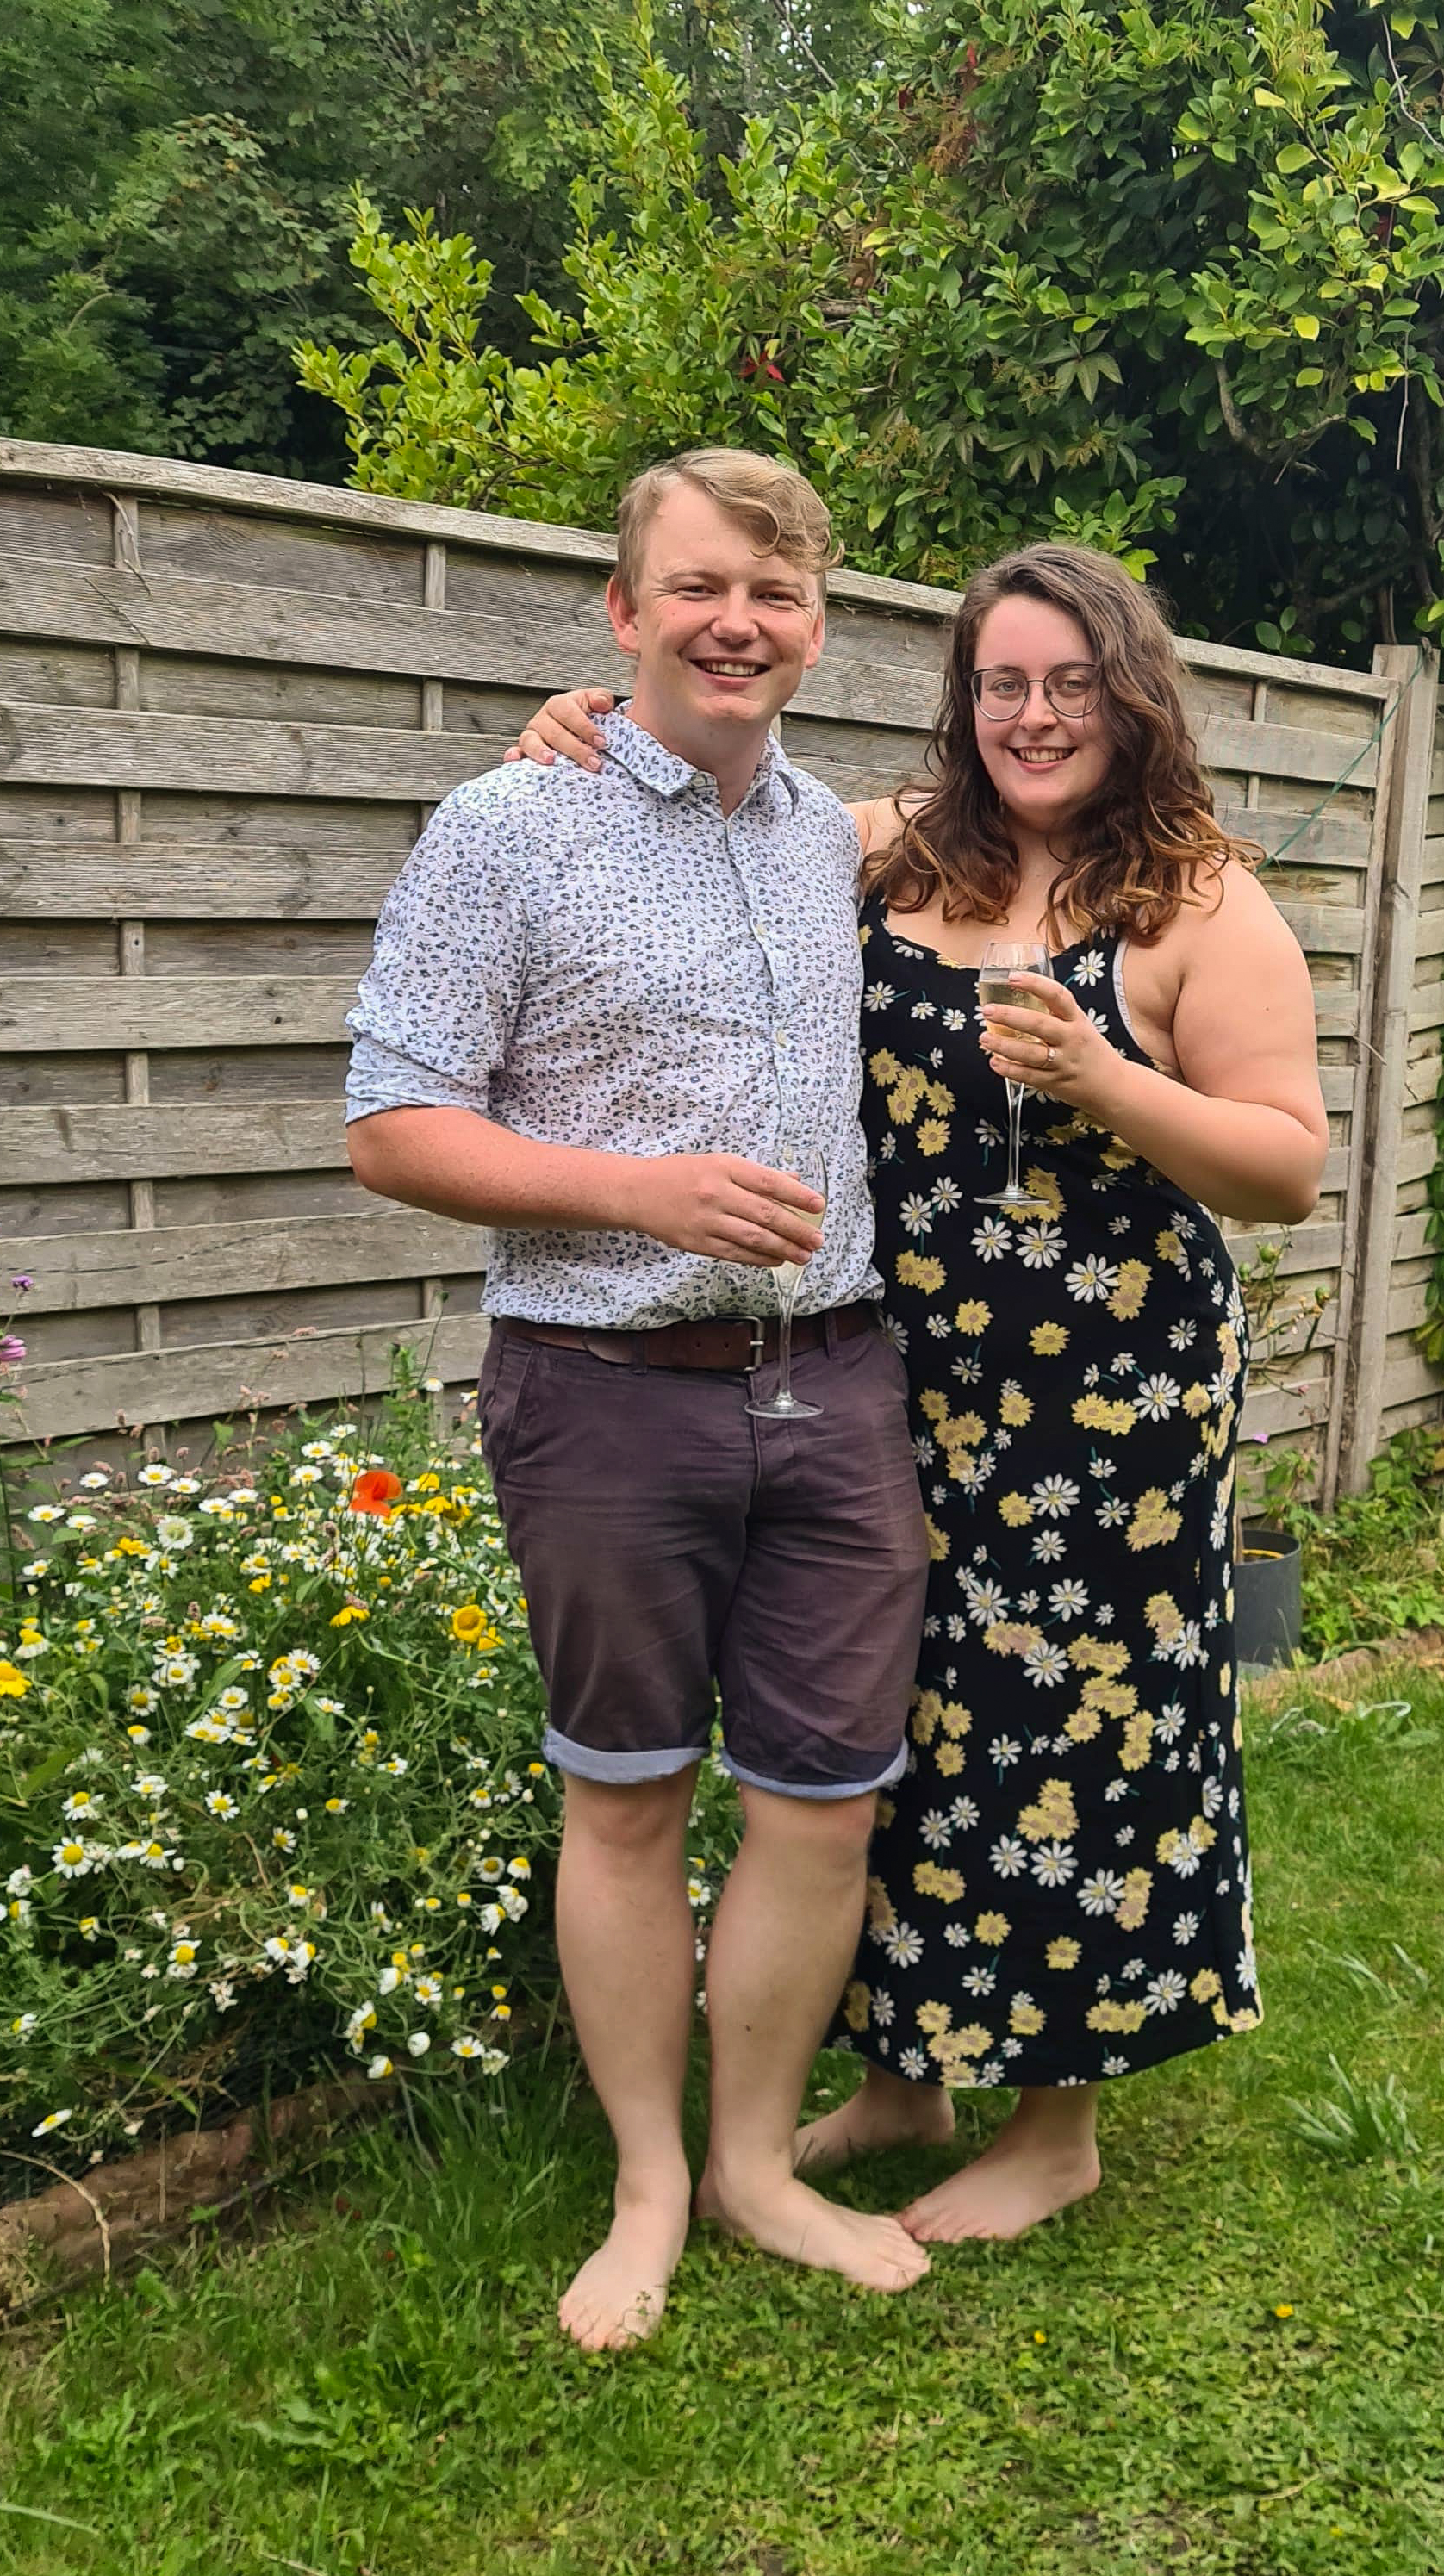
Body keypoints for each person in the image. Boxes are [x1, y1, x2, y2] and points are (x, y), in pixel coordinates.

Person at [511, 540, 1327, 2241]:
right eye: (1003, 682)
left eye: (1071, 682)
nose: (1035, 715)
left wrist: (1104, 1077)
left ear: (1132, 692)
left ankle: (1057, 2124)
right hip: (896, 1373)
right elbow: (706, 806)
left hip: (1112, 1411)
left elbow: (1283, 1170)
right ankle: (903, 2074)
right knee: (892, 1729)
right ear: (965, 699)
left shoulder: (1195, 899)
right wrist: (581, 732)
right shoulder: (886, 847)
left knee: (1076, 1728)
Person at [345, 448, 934, 2350]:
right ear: (623, 610)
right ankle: (648, 2182)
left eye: (772, 594)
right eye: (695, 588)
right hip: (605, 1389)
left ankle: (758, 2163)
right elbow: (389, 1125)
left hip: (835, 1382)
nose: (734, 622)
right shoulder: (508, 828)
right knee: (628, 1803)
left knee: (824, 1804)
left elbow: (1058, 812)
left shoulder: (827, 830)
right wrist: (638, 1191)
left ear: (817, 627)